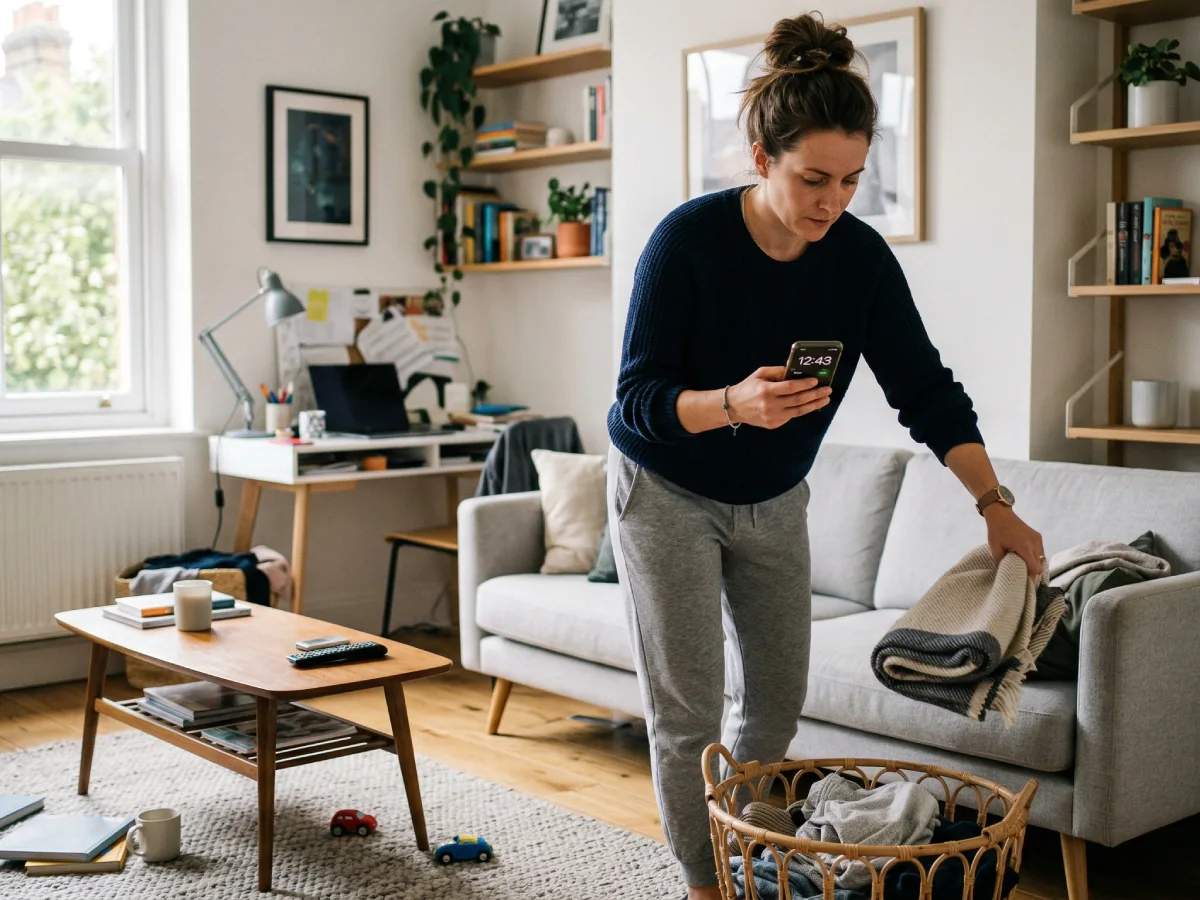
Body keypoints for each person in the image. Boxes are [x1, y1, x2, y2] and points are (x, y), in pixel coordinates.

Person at [605, 13, 1046, 899]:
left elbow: (925, 389)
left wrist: (994, 503)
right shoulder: (686, 242)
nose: (832, 201)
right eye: (813, 178)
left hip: (776, 499)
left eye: (851, 180)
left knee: (773, 703)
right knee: (689, 715)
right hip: (666, 490)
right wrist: (735, 401)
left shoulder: (859, 260)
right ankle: (707, 886)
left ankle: (750, 859)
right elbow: (634, 405)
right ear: (762, 157)